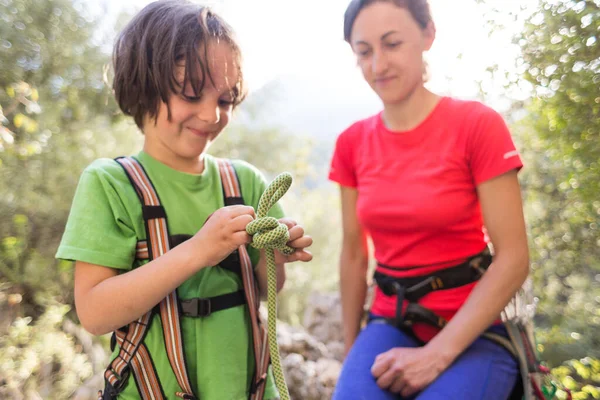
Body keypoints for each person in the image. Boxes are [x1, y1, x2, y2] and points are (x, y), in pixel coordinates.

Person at [55, 1, 312, 399]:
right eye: (192, 94)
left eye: (225, 100)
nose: (211, 115)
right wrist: (199, 251)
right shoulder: (111, 185)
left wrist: (275, 256)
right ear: (144, 85)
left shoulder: (245, 181)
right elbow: (94, 312)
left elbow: (261, 292)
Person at [329, 0, 529, 399]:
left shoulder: (477, 125)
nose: (378, 65)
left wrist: (437, 355)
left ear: (427, 35)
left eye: (392, 44)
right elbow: (354, 252)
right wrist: (352, 348)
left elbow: (514, 257)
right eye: (364, 52)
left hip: (478, 329)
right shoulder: (351, 143)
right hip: (390, 321)